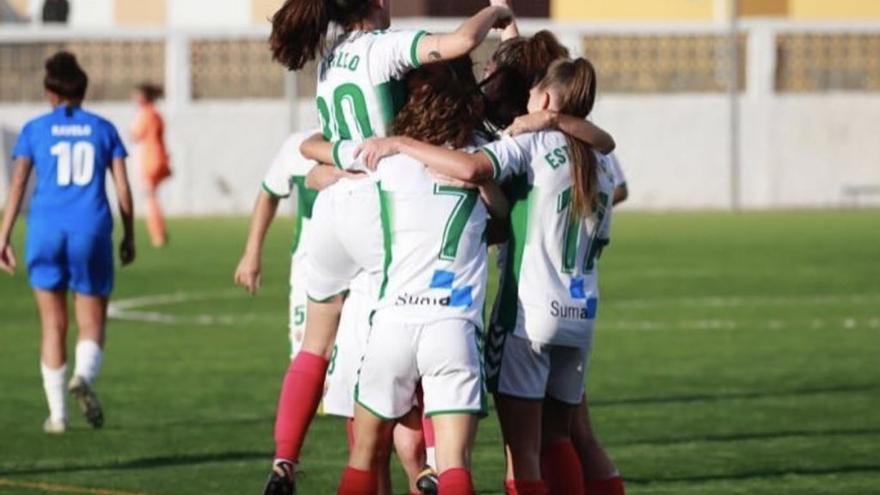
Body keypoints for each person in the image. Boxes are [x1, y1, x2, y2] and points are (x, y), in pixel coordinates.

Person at [262, 0, 514, 492]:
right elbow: (461, 43)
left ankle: (284, 459)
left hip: (333, 206)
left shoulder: (333, 54)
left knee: (322, 347)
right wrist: (496, 12)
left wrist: (331, 162)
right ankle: (430, 467)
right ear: (378, 3)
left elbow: (317, 140)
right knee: (411, 349)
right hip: (379, 203)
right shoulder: (385, 49)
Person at [357, 57, 614, 495]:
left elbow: (473, 166)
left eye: (532, 95)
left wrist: (402, 143)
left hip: (530, 313)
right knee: (560, 437)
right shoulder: (602, 162)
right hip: (582, 311)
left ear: (546, 100)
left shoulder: (530, 143)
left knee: (526, 454)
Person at [233, 133, 424, 495]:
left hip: (322, 265)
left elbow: (302, 173)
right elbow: (271, 190)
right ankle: (422, 469)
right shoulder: (388, 138)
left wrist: (320, 173)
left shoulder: (306, 141)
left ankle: (286, 460)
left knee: (322, 357)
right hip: (372, 259)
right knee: (382, 381)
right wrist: (252, 250)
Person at [0, 51, 135, 434]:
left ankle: (57, 415)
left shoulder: (34, 129)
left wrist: (3, 235)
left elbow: (18, 183)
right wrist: (129, 235)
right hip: (89, 230)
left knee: (52, 324)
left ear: (49, 92)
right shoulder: (103, 128)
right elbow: (122, 187)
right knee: (91, 320)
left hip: (44, 230)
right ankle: (84, 377)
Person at [131, 83, 171, 248]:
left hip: (150, 160)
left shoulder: (147, 114)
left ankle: (157, 235)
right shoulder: (155, 113)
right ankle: (159, 232)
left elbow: (136, 135)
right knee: (152, 196)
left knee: (150, 197)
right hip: (158, 157)